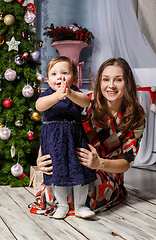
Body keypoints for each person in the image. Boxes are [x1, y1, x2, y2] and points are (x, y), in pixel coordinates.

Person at [30, 57, 145, 216]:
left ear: (128, 83)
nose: (111, 85)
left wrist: (100, 163)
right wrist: (40, 158)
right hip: (70, 160)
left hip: (105, 167)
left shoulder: (135, 115)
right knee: (53, 195)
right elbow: (54, 127)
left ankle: (82, 204)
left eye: (118, 80)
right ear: (100, 83)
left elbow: (126, 162)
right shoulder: (86, 102)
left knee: (88, 192)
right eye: (106, 79)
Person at [35, 56, 96, 219]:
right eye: (54, 74)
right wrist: (57, 96)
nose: (60, 77)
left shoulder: (75, 93)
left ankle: (81, 205)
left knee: (79, 171)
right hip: (53, 140)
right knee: (57, 171)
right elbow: (39, 106)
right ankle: (62, 204)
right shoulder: (47, 95)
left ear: (74, 78)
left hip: (74, 138)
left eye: (65, 73)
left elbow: (85, 102)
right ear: (47, 79)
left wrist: (69, 93)